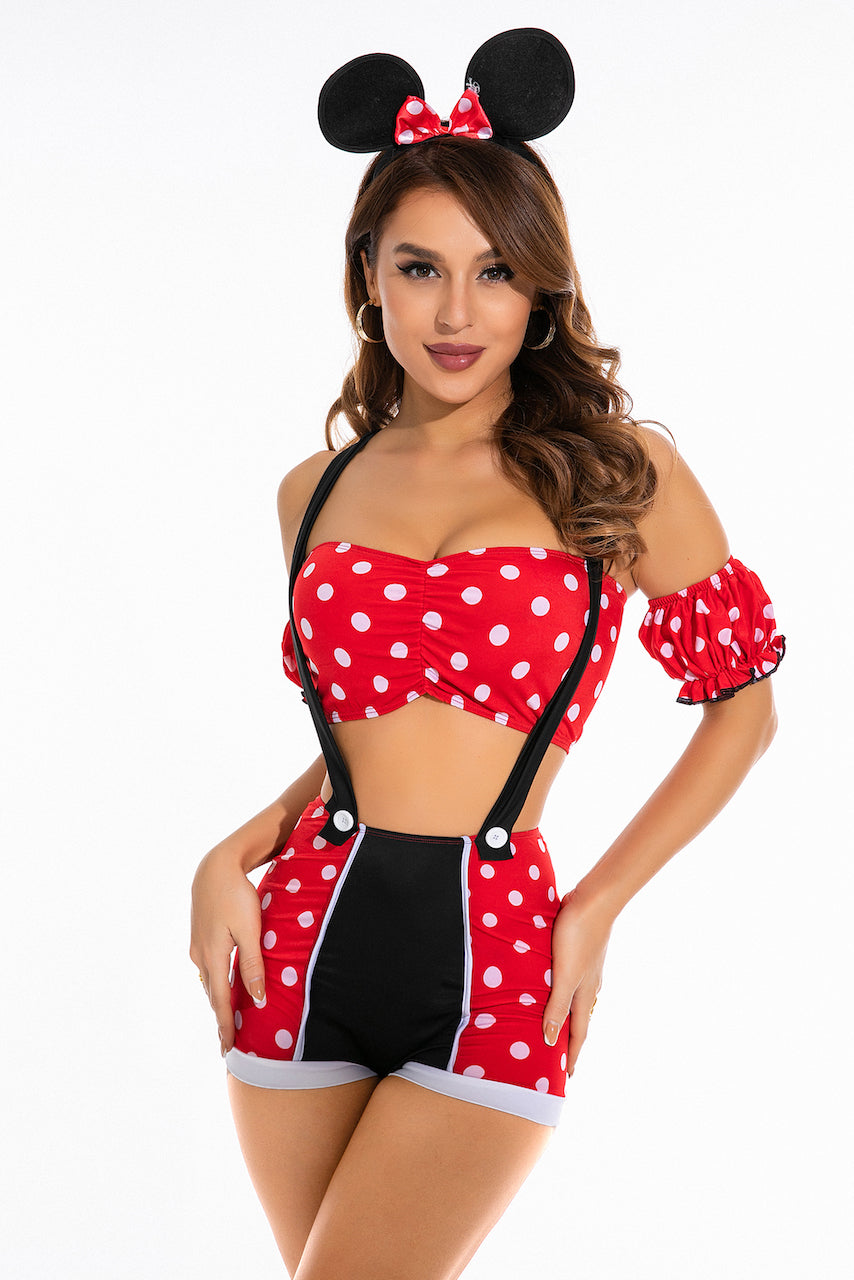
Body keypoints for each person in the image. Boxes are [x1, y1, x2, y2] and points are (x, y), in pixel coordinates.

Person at [190, 30, 784, 1280]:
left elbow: (741, 709)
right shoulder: (312, 489)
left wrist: (598, 903)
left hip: (504, 946)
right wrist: (233, 847)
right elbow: (368, 732)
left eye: (496, 271)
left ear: (541, 288)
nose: (457, 313)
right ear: (368, 277)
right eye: (420, 268)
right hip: (296, 936)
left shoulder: (618, 471)